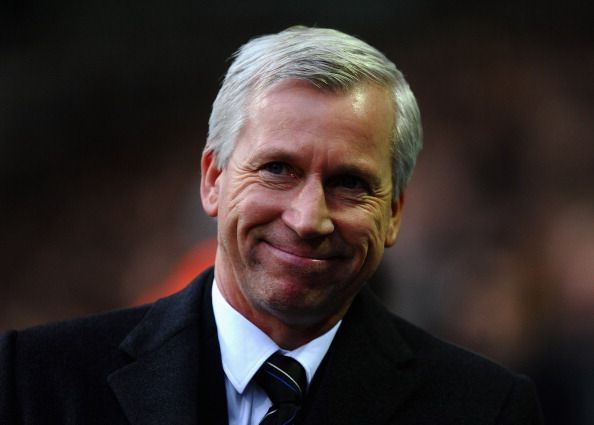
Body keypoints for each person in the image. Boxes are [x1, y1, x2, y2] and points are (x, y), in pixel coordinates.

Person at [0, 26, 543, 425]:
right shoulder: (35, 381)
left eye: (350, 183)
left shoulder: (485, 409)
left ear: (395, 211)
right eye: (278, 169)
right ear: (213, 180)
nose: (309, 220)